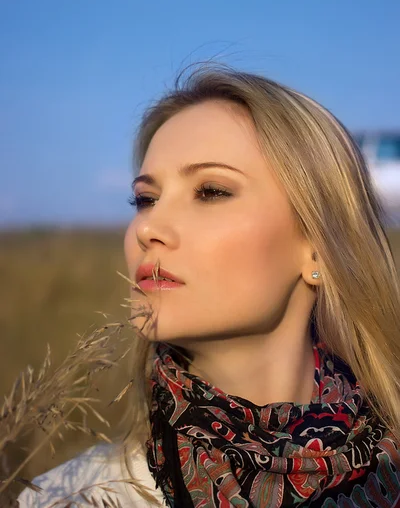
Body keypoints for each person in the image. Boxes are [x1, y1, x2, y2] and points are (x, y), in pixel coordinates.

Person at [18, 66, 400, 507]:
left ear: (317, 248)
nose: (149, 228)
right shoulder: (70, 497)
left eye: (211, 191)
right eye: (145, 199)